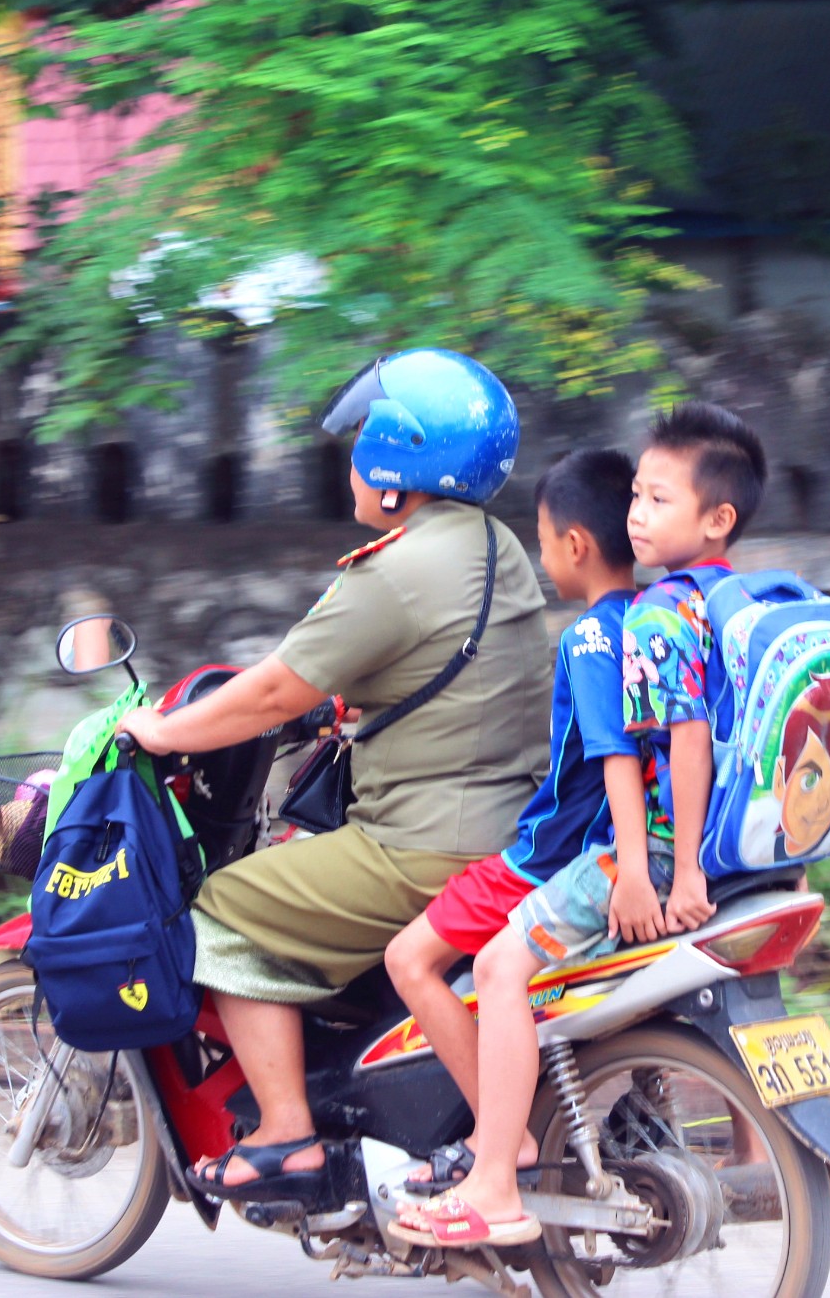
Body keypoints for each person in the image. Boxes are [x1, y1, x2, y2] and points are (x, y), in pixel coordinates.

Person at [113, 349, 553, 1204]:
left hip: (418, 847)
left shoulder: (392, 574)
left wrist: (164, 730)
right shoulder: (497, 547)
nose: (350, 460)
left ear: (398, 468)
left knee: (221, 907)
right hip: (508, 829)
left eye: (363, 443)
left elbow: (274, 688)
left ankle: (287, 1134)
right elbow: (436, 669)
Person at [393, 401, 769, 1248]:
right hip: (733, 846)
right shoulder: (739, 600)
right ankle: (754, 1150)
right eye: (636, 495)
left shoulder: (646, 618)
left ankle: (493, 1177)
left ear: (717, 518)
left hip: (646, 852)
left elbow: (645, 753)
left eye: (659, 499)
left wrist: (648, 872)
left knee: (492, 965)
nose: (639, 514)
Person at [379, 449, 644, 1241]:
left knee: (410, 959)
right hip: (597, 847)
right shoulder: (664, 617)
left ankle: (503, 1143)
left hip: (550, 854)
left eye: (540, 538)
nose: (540, 555)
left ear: (574, 545)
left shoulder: (593, 636)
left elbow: (611, 753)